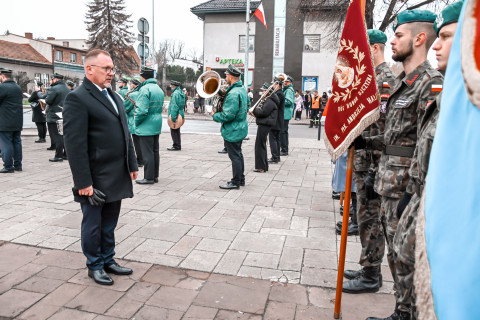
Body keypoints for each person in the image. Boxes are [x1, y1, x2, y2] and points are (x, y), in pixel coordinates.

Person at [355, 10, 443, 320]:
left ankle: (409, 313)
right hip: (387, 182)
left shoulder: (430, 84)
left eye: (400, 35)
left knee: (407, 259)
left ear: (419, 39)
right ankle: (401, 310)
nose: (393, 40)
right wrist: (364, 143)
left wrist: (414, 192)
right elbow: (394, 139)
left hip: (405, 188)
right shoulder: (403, 83)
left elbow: (426, 145)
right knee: (394, 253)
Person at [395, 3, 461, 320]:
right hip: (413, 190)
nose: (437, 45)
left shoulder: (436, 86)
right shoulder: (448, 94)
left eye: (446, 36)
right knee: (403, 256)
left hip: (445, 214)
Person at [63, 49, 139, 285]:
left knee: (110, 223)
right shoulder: (77, 98)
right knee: (93, 223)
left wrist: (132, 163)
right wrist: (83, 182)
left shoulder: (114, 97)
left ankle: (108, 259)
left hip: (116, 173)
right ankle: (94, 265)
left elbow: (125, 134)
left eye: (112, 69)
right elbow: (74, 145)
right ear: (89, 69)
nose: (111, 73)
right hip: (94, 177)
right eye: (106, 68)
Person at [342, 29, 397, 295]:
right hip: (365, 161)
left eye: (364, 50)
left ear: (374, 48)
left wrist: (374, 164)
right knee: (365, 219)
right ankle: (368, 267)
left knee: (372, 220)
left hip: (374, 163)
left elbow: (386, 127)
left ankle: (372, 275)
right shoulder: (370, 79)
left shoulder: (384, 80)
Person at [212, 64, 248, 189]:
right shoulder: (242, 89)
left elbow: (228, 115)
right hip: (240, 127)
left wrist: (215, 115)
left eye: (226, 75)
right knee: (238, 154)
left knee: (235, 157)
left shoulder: (233, 93)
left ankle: (235, 182)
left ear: (231, 77)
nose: (225, 77)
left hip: (233, 129)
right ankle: (241, 179)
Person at [133, 67, 164, 184]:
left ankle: (148, 177)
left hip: (146, 125)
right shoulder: (159, 89)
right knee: (155, 151)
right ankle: (155, 176)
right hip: (156, 123)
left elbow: (141, 110)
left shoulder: (145, 89)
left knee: (147, 153)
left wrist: (136, 122)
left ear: (143, 77)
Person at [0, 68, 23, 173]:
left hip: (5, 121)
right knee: (17, 142)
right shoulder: (18, 87)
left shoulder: (2, 87)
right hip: (17, 121)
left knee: (6, 143)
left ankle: (8, 166)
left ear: (3, 76)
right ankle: (18, 165)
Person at [252, 82, 278, 172]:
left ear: (268, 92)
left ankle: (261, 167)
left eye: (263, 91)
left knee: (260, 145)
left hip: (265, 124)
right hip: (264, 123)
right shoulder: (268, 99)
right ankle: (263, 166)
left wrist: (254, 111)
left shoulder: (270, 101)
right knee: (261, 145)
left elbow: (263, 112)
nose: (262, 92)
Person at [45, 73, 70, 162]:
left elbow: (48, 101)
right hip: (64, 114)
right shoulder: (67, 88)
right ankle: (66, 154)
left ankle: (58, 155)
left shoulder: (54, 89)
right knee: (63, 135)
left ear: (55, 79)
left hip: (54, 115)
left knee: (57, 136)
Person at [123, 78, 143, 167]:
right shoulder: (142, 92)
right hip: (142, 119)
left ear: (134, 85)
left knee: (136, 141)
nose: (130, 85)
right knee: (142, 141)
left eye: (131, 84)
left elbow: (126, 108)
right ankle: (142, 159)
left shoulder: (132, 94)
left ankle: (139, 160)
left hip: (133, 119)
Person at [267, 77, 285, 163]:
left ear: (277, 84)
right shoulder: (279, 93)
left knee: (273, 139)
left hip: (275, 120)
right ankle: (276, 156)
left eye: (273, 84)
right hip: (278, 120)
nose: (272, 85)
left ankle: (274, 157)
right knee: (276, 139)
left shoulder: (278, 94)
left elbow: (274, 105)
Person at [167, 80, 185, 151]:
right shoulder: (181, 93)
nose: (171, 88)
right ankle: (178, 145)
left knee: (174, 130)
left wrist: (173, 118)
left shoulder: (175, 94)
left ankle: (176, 145)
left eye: (172, 87)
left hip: (176, 114)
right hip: (180, 113)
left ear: (174, 86)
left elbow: (174, 106)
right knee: (177, 130)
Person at [281, 76, 294, 156]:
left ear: (291, 83)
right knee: (284, 132)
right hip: (286, 114)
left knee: (283, 132)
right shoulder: (287, 90)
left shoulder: (288, 90)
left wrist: (280, 100)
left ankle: (284, 150)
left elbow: (288, 102)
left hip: (285, 114)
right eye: (285, 81)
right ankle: (284, 149)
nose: (285, 83)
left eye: (287, 82)